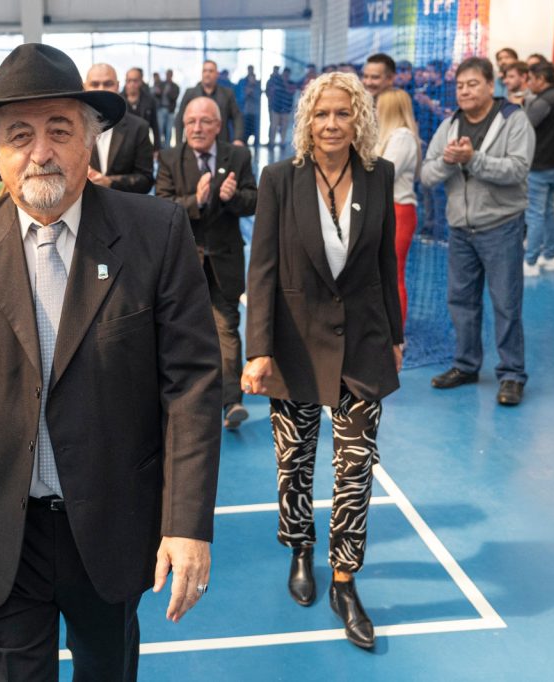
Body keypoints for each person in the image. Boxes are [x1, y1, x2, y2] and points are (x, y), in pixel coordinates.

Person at [0, 42, 222, 680]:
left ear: (89, 142)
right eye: (20, 135)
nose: (40, 152)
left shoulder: (156, 232)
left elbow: (191, 386)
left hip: (110, 525)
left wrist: (187, 525)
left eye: (60, 130)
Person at [241, 71, 404, 651]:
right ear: (306, 121)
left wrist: (396, 334)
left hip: (363, 342)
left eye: (342, 113)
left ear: (358, 118)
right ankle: (300, 547)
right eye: (321, 114)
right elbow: (262, 268)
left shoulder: (379, 175)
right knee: (295, 464)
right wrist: (257, 349)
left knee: (355, 469)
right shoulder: (279, 179)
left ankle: (344, 579)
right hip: (293, 343)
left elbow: (385, 262)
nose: (331, 124)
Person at [421, 57, 533, 406]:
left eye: (472, 84)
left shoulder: (513, 120)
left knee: (506, 303)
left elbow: (517, 169)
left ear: (490, 85)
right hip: (459, 230)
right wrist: (448, 161)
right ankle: (466, 365)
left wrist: (473, 159)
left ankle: (512, 374)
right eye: (459, 86)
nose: (465, 91)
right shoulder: (450, 124)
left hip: (501, 227)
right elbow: (426, 174)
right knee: (461, 302)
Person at [156, 96, 257, 430]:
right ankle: (189, 400)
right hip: (184, 262)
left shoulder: (238, 156)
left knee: (227, 328)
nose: (197, 128)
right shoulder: (170, 158)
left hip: (225, 262)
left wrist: (233, 197)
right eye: (191, 122)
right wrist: (195, 201)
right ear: (183, 126)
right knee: (180, 331)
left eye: (205, 121)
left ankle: (232, 402)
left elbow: (253, 200)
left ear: (218, 126)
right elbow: (162, 206)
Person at [375, 88, 420, 327]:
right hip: (385, 208)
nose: (375, 111)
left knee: (393, 273)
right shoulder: (388, 136)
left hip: (398, 210)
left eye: (379, 107)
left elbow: (384, 173)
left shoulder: (402, 136)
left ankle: (395, 334)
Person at [522, 60, 554, 276]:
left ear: (541, 79)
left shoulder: (544, 101)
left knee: (534, 214)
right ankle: (550, 257)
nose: (529, 83)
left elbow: (524, 126)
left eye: (531, 79)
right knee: (547, 211)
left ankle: (530, 261)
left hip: (539, 166)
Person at [84, 63, 155, 193]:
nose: (101, 89)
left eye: (108, 84)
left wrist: (110, 182)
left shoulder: (138, 128)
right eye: (95, 84)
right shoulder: (71, 129)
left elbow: (146, 180)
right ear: (84, 87)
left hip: (124, 203)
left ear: (117, 86)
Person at [175, 60, 245, 146]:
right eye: (205, 71)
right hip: (195, 144)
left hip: (221, 145)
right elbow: (180, 119)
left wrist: (238, 139)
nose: (207, 74)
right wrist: (179, 145)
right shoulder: (190, 93)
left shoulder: (227, 94)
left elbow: (237, 117)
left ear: (217, 74)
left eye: (211, 71)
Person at [122, 67, 161, 152]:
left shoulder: (149, 101)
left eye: (135, 81)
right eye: (129, 81)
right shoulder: (119, 101)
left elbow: (155, 126)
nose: (132, 84)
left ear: (140, 81)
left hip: (143, 145)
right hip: (123, 147)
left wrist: (157, 148)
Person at [236, 65, 261, 146]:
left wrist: (252, 92)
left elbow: (259, 97)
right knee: (245, 133)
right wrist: (246, 93)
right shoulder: (242, 84)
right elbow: (240, 98)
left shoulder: (257, 86)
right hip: (245, 113)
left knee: (255, 132)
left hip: (255, 114)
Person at [157, 69, 180, 148]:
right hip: (161, 109)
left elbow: (174, 97)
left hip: (170, 111)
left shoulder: (175, 86)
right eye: (167, 74)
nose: (168, 76)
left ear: (172, 75)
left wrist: (167, 92)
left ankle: (167, 147)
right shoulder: (161, 84)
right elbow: (156, 95)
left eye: (169, 74)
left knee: (169, 130)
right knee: (160, 129)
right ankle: (159, 146)